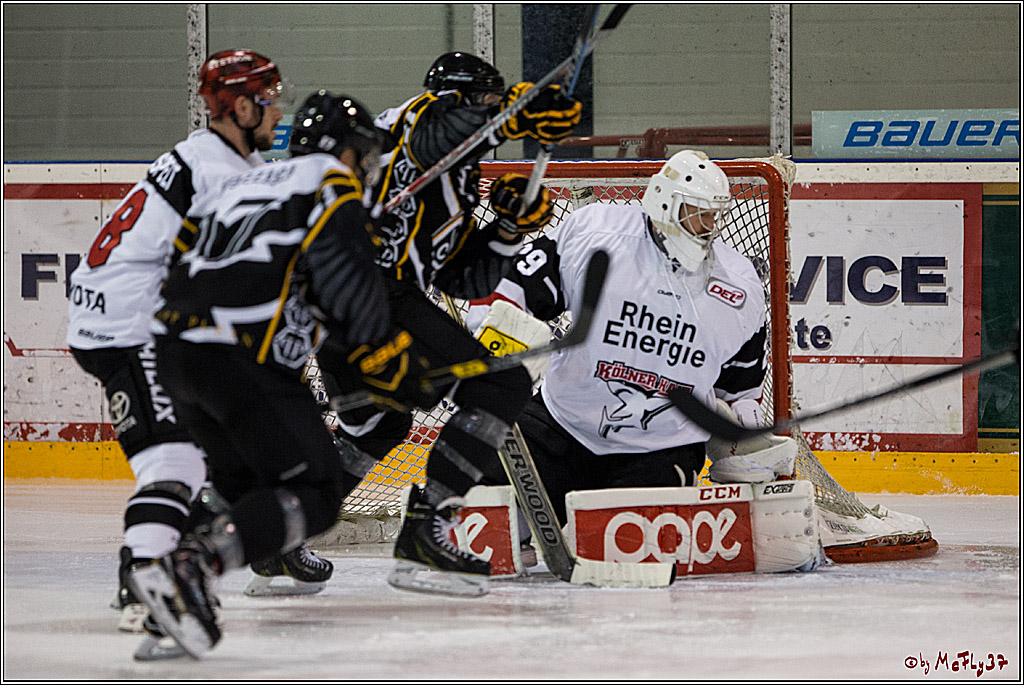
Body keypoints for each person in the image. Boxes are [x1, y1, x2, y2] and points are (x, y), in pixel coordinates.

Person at [128, 91, 425, 659]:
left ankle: (169, 611)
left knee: (255, 499)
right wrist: (394, 364)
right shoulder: (332, 187)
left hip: (173, 356)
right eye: (364, 155)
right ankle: (190, 567)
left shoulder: (243, 182)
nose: (368, 169)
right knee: (314, 493)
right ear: (346, 151)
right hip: (238, 359)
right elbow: (356, 309)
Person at [63, 49, 326, 632]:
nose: (277, 109)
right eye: (267, 99)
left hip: (116, 318)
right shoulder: (221, 174)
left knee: (199, 457)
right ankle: (144, 586)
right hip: (132, 326)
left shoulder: (203, 157)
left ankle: (156, 572)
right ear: (237, 105)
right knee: (175, 460)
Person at [313, 52, 582, 596]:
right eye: (482, 102)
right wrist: (517, 112)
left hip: (365, 304)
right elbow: (438, 136)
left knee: (379, 425)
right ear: (456, 100)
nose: (488, 114)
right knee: (500, 385)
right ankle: (424, 533)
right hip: (361, 290)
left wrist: (507, 229)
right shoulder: (410, 125)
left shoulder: (458, 181)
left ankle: (281, 530)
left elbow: (460, 277)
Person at [467, 150, 784, 527]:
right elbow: (509, 289)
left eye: (714, 215)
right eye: (698, 212)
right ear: (665, 203)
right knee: (481, 513)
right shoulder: (596, 233)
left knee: (626, 543)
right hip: (563, 425)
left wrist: (746, 444)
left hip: (661, 450)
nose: (708, 226)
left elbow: (740, 390)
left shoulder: (738, 285)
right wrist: (491, 346)